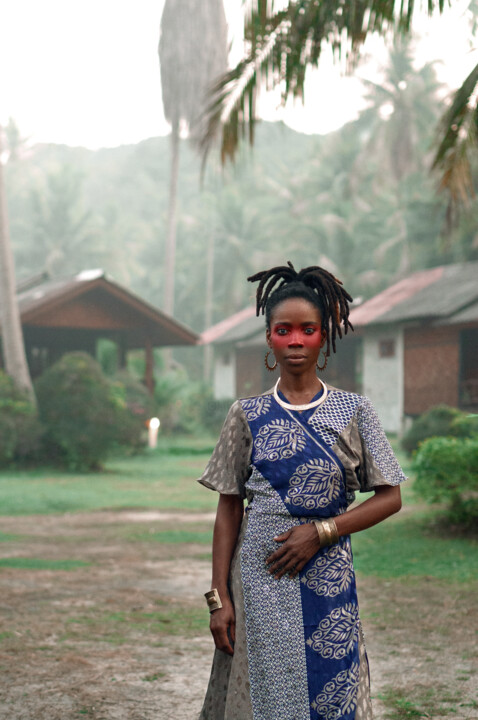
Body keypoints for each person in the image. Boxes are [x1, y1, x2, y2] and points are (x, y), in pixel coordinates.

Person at [198, 262, 406, 720]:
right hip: (259, 580)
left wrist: (323, 531)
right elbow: (228, 510)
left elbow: (391, 497)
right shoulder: (245, 414)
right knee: (264, 700)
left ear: (325, 335)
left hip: (328, 579)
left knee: (331, 695)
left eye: (308, 330)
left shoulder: (355, 411)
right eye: (283, 330)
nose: (295, 341)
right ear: (269, 337)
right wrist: (218, 599)